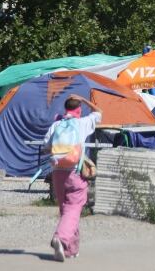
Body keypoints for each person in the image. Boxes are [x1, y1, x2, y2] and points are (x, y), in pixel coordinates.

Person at [43, 94, 102, 262]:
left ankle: (70, 249)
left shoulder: (56, 124)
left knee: (66, 211)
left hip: (57, 172)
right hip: (74, 171)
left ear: (65, 109)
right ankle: (60, 238)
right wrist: (83, 99)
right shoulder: (82, 123)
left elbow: (47, 147)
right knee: (74, 208)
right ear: (79, 110)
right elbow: (99, 112)